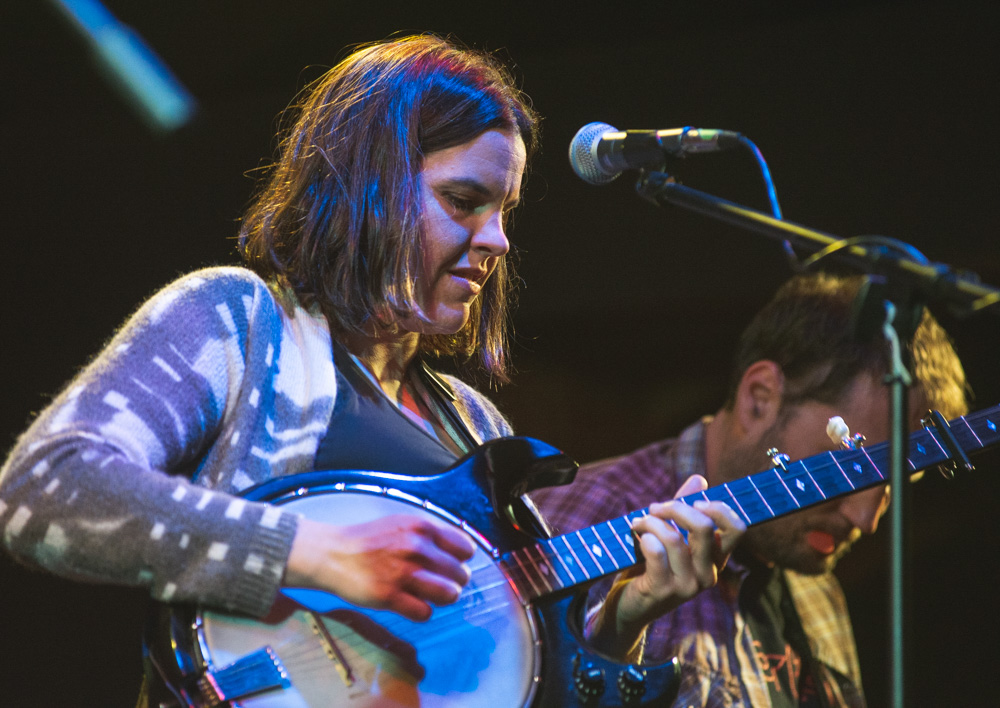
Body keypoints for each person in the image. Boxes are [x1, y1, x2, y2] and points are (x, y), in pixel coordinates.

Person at [0, 33, 555, 702]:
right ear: (368, 187)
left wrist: (618, 622)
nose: (497, 240)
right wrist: (316, 552)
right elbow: (44, 486)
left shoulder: (475, 423)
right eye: (463, 201)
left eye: (504, 211)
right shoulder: (240, 320)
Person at [531, 272, 969, 708]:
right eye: (847, 469)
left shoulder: (815, 582)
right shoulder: (586, 516)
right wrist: (615, 632)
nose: (866, 519)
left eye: (895, 484)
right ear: (760, 398)